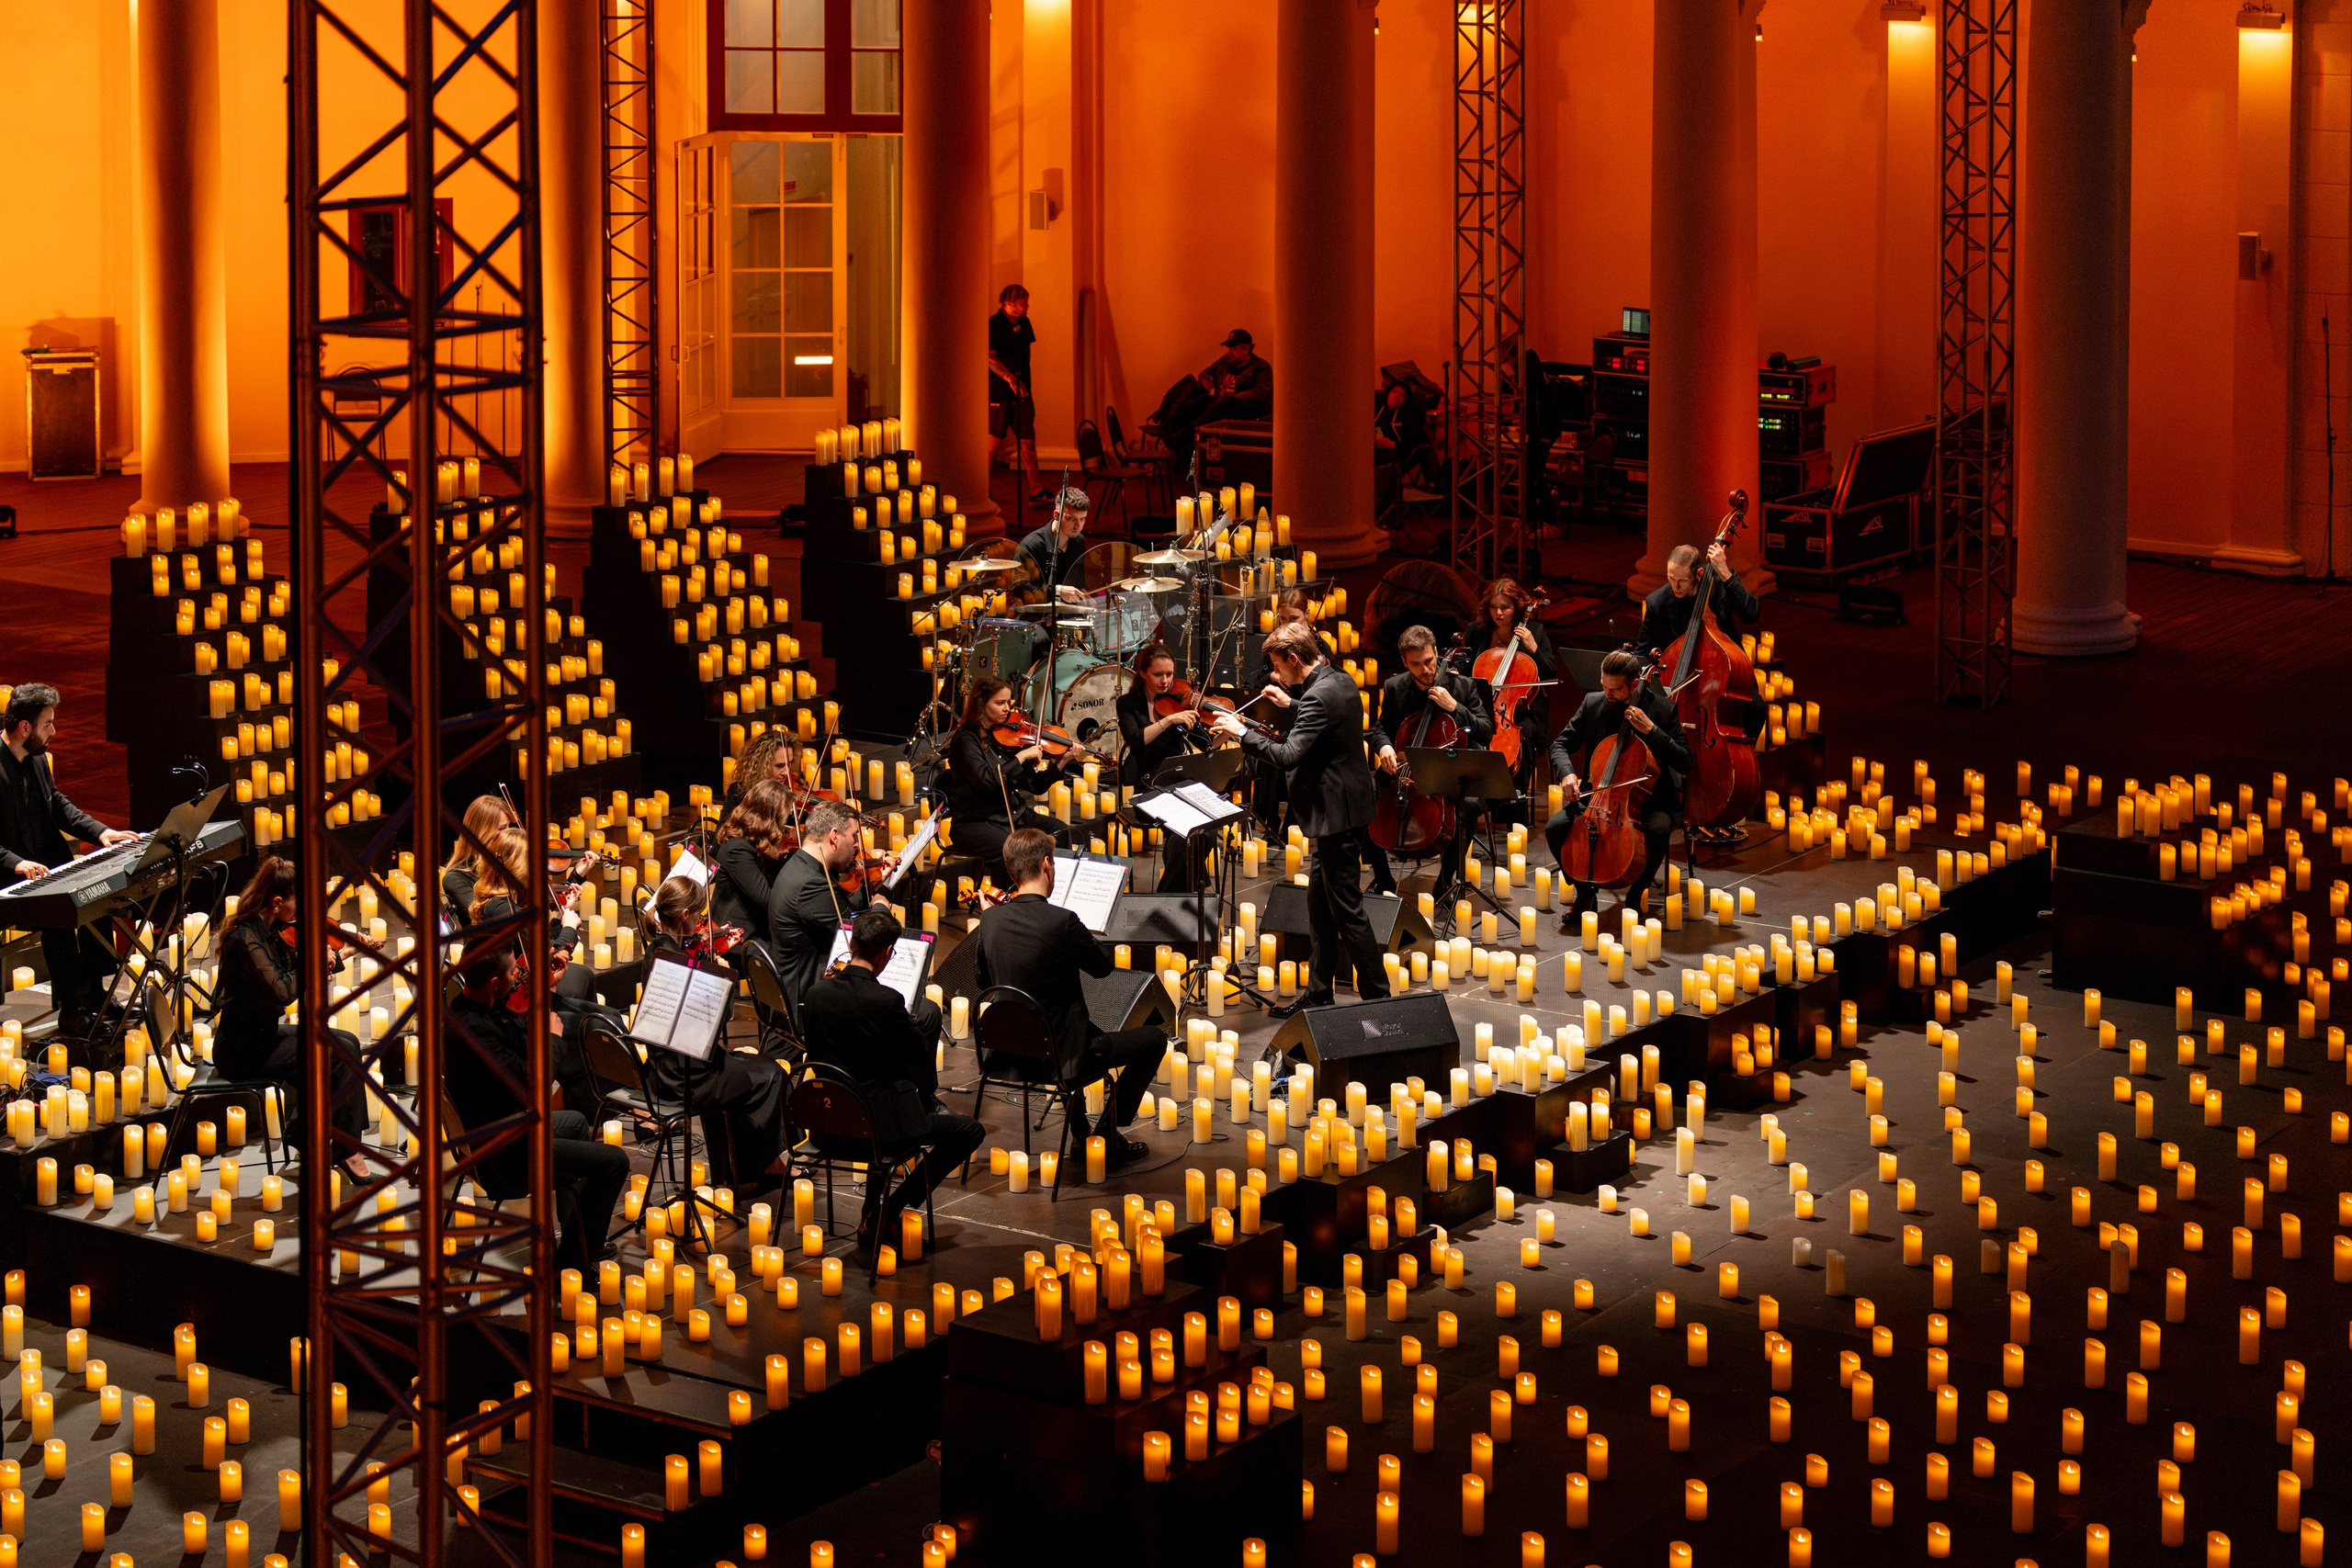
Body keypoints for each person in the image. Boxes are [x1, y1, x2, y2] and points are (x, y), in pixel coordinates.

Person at [1211, 620, 1387, 1016]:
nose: (1276, 673)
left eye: (1278, 665)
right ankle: (1320, 992)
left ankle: (1379, 999)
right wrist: (1289, 704)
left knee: (1347, 912)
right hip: (1344, 810)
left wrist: (1241, 732)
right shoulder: (1340, 680)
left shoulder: (1316, 698)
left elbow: (1289, 755)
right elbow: (1324, 715)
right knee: (1319, 907)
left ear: (1293, 658)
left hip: (1336, 816)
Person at [972, 829, 1164, 1167]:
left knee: (1057, 1022)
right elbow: (1103, 967)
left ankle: (1080, 1135)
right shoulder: (1061, 921)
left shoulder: (990, 919)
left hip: (1010, 1051)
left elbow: (983, 980)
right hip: (1061, 1057)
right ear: (1047, 865)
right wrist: (1078, 932)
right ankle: (1106, 1135)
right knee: (1154, 1040)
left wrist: (994, 920)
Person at [802, 906, 984, 1247]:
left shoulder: (815, 995)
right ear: (887, 953)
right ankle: (888, 1210)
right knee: (970, 1131)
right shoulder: (887, 1001)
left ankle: (873, 1213)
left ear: (852, 944)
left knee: (880, 1099)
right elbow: (918, 1054)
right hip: (877, 1131)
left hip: (826, 1124)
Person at [448, 942, 631, 1272]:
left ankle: (577, 1239)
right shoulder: (477, 1035)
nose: (518, 977)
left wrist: (545, 990)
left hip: (494, 1132)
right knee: (615, 1162)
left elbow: (516, 1033)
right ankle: (572, 1261)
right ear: (494, 983)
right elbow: (533, 1085)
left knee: (576, 1122)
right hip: (505, 1157)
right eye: (513, 972)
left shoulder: (466, 1009)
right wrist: (554, 1039)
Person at [0, 682, 140, 1039]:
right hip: (6, 873)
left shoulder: (36, 758)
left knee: (96, 895)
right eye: (48, 724)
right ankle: (72, 1010)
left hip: (44, 864)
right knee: (58, 912)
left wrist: (102, 832)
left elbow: (57, 804)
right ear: (25, 727)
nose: (54, 731)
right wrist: (16, 863)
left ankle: (95, 993)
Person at [211, 856, 370, 1168]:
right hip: (243, 1050)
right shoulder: (246, 940)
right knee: (339, 1054)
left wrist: (340, 954)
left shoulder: (269, 930)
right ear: (277, 903)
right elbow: (284, 991)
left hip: (263, 1036)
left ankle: (304, 1134)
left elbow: (294, 968)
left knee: (349, 1041)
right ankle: (348, 1152)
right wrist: (315, 964)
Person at [639, 874, 791, 1182]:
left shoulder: (657, 950)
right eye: (698, 917)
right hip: (690, 1077)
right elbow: (716, 1023)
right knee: (772, 1074)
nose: (701, 924)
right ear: (684, 916)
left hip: (659, 1069)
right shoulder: (679, 961)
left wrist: (709, 959)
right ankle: (763, 1165)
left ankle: (742, 1165)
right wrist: (725, 980)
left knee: (750, 1070)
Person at [1544, 648, 1691, 921]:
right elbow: (1560, 745)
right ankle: (1584, 892)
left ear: (1634, 684)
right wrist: (1567, 774)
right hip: (1599, 797)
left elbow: (1685, 761)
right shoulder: (1593, 703)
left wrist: (1652, 731)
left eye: (1614, 689)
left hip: (1649, 799)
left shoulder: (1663, 710)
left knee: (1659, 830)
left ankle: (1635, 895)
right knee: (1555, 828)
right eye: (1604, 686)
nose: (1607, 693)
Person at [942, 674, 1079, 883]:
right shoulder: (965, 740)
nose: (1007, 709)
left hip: (1014, 816)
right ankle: (1014, 897)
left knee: (1060, 830)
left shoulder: (1006, 737)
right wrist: (1021, 757)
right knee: (1013, 851)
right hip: (978, 822)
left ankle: (1055, 889)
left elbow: (1036, 785)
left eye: (1008, 702)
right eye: (999, 703)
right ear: (981, 704)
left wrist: (1063, 761)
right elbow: (987, 781)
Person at [1115, 644, 1212, 894]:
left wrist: (1229, 729)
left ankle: (1171, 893)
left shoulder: (1179, 702)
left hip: (1178, 784)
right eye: (1158, 674)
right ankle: (1179, 894)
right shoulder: (1128, 704)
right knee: (1185, 833)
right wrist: (1168, 720)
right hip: (1148, 787)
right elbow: (1135, 739)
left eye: (1169, 674)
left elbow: (1206, 745)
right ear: (1143, 673)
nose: (1166, 681)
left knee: (1207, 832)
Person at [765, 797, 869, 1021]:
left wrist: (872, 885)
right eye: (854, 836)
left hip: (798, 988)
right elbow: (859, 935)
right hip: (807, 1004)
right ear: (834, 836)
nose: (856, 845)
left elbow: (839, 909)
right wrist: (880, 905)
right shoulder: (811, 884)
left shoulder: (798, 866)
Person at [1464, 577, 1558, 796]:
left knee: (1523, 738)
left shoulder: (1535, 631)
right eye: (1493, 607)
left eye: (1505, 607)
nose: (1498, 613)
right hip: (1482, 707)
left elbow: (1550, 675)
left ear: (1517, 607)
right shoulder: (1477, 631)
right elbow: (1465, 670)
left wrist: (1533, 649)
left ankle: (1514, 802)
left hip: (1521, 712)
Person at [1163, 330, 1273, 480]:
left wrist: (1234, 396)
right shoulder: (1224, 362)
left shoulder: (1261, 367)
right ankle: (1187, 462)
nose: (1230, 352)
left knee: (1227, 403)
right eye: (1230, 348)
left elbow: (1260, 393)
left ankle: (1186, 434)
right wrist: (1205, 380)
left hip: (1246, 411)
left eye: (1234, 348)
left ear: (1246, 349)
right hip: (1219, 408)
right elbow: (1205, 373)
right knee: (1193, 405)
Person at [1637, 540, 1761, 655]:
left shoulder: (1720, 582)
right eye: (1671, 578)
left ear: (1699, 573)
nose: (1676, 586)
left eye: (1683, 581)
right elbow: (1641, 653)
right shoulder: (1657, 602)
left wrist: (1725, 573)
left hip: (1726, 660)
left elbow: (1751, 615)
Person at [989, 285, 1051, 504]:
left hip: (1023, 390)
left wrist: (1022, 381)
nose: (1027, 306)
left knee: (1027, 438)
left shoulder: (1025, 323)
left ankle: (1036, 489)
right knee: (994, 439)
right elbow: (989, 356)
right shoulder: (994, 324)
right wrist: (1009, 378)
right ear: (1009, 302)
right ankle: (981, 487)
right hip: (1000, 391)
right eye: (1023, 302)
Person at [710, 779, 794, 936]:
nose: (784, 826)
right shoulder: (737, 850)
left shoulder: (751, 843)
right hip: (736, 936)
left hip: (754, 928)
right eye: (783, 819)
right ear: (770, 819)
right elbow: (766, 900)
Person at [443, 794, 518, 929]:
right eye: (502, 829)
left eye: (508, 827)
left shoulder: (507, 862)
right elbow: (488, 913)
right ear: (481, 833)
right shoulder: (455, 878)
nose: (508, 835)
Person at [1014, 487, 1093, 606]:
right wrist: (1058, 591)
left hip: (1067, 611)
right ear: (1056, 515)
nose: (1078, 526)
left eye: (1082, 519)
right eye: (1071, 518)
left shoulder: (1078, 541)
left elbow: (1079, 578)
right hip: (1038, 614)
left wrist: (1084, 594)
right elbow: (1021, 589)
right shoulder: (1031, 545)